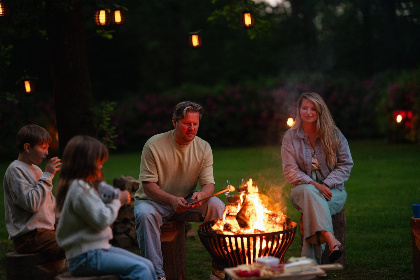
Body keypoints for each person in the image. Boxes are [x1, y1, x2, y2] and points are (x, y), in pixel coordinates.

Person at [134, 101, 225, 280]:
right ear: (174, 122)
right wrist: (171, 200)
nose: (191, 128)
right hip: (154, 202)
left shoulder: (204, 147)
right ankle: (156, 275)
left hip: (187, 202)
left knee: (217, 206)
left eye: (195, 124)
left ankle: (220, 269)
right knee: (144, 214)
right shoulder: (153, 145)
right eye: (187, 124)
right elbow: (148, 186)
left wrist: (202, 195)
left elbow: (209, 186)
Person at [55, 135, 156, 279]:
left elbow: (96, 209)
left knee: (148, 265)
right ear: (86, 163)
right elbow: (102, 219)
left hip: (97, 250)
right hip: (84, 257)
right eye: (98, 162)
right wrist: (118, 201)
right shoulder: (79, 188)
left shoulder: (83, 187)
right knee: (140, 269)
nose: (101, 166)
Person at [281, 92, 353, 267]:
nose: (308, 112)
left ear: (320, 111)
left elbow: (346, 164)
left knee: (312, 212)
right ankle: (331, 239)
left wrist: (326, 184)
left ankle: (310, 266)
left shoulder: (333, 133)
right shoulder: (290, 137)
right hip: (302, 187)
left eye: (313, 108)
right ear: (299, 110)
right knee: (309, 193)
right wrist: (314, 184)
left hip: (333, 190)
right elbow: (290, 170)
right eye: (304, 108)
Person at [3, 124, 65, 261]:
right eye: (43, 148)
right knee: (74, 245)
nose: (47, 153)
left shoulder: (37, 170)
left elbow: (49, 203)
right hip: (30, 237)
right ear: (27, 147)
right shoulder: (15, 170)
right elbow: (31, 204)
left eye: (47, 148)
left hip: (46, 232)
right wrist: (48, 175)